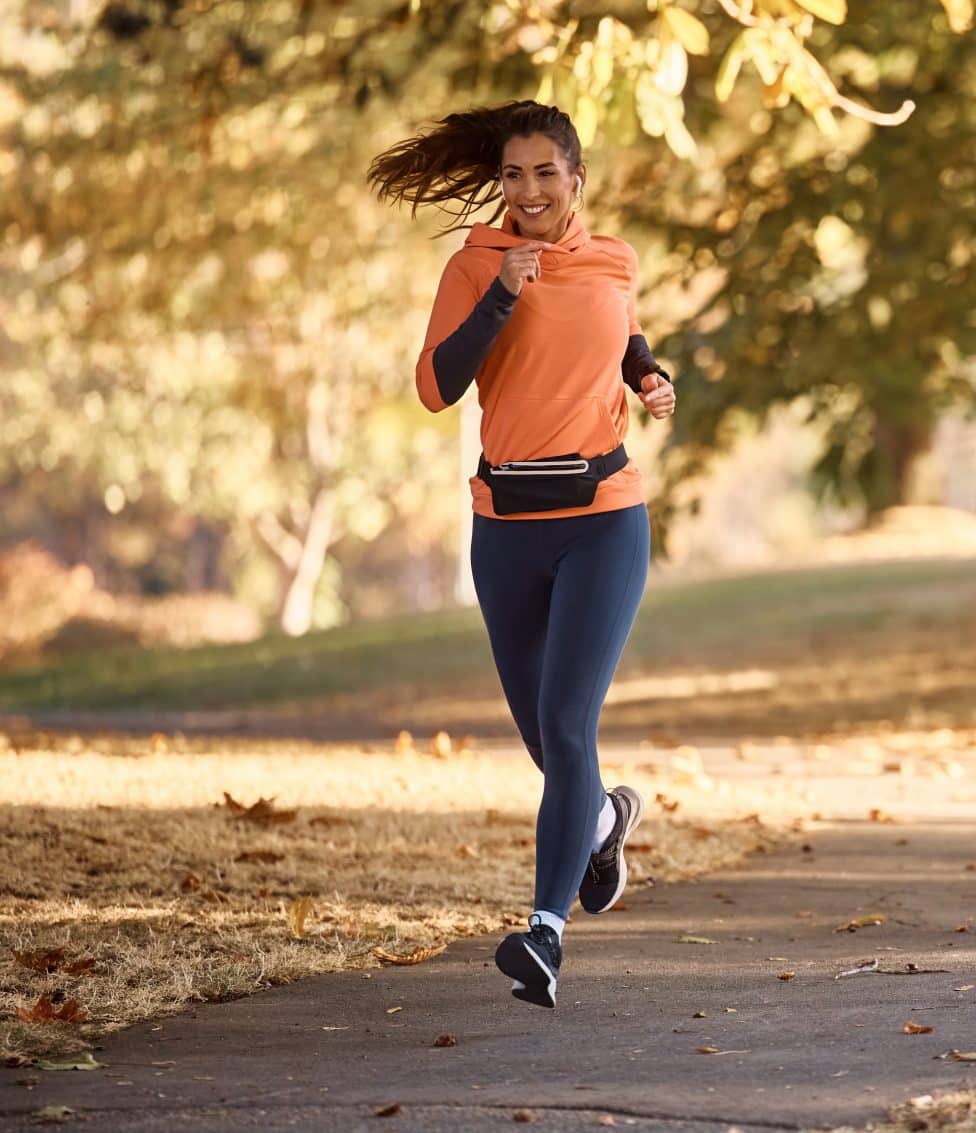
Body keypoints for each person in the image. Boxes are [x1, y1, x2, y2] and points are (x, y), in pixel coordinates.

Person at [367, 100, 675, 1008]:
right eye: (514, 175)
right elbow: (435, 386)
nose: (530, 190)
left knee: (569, 718)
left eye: (547, 173)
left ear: (577, 180)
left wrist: (648, 375)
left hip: (603, 516)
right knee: (545, 732)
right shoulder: (474, 265)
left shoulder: (614, 255)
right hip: (504, 524)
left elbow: (619, 331)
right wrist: (503, 294)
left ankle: (545, 931)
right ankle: (605, 820)